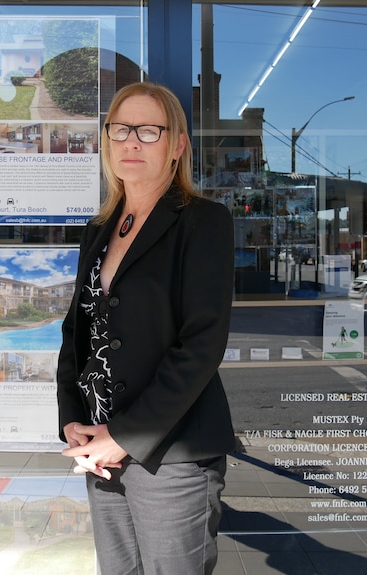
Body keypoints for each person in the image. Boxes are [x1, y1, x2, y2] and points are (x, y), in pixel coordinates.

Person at [56, 81, 236, 575]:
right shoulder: (100, 228)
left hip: (171, 453)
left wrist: (126, 436)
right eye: (120, 129)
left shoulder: (203, 222)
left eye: (149, 131)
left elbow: (201, 344)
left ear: (177, 146)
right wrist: (72, 421)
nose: (131, 141)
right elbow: (78, 333)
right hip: (100, 446)